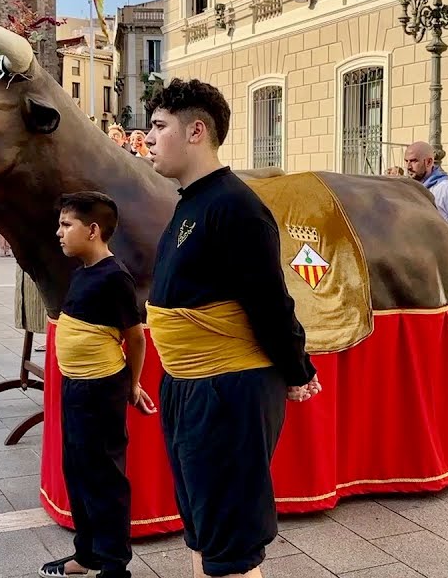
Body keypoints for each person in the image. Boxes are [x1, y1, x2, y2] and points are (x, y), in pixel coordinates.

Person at [143, 78, 321, 578]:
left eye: (159, 127)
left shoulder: (235, 206)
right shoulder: (192, 202)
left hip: (226, 390)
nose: (148, 137)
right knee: (204, 530)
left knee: (230, 548)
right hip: (188, 387)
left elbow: (269, 301)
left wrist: (296, 369)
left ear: (196, 131)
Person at [39, 192, 157, 578]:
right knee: (78, 471)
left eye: (66, 224)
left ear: (92, 230)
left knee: (104, 477)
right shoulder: (82, 272)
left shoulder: (114, 277)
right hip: (76, 388)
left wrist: (133, 385)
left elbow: (135, 338)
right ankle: (85, 554)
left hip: (100, 391)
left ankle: (113, 564)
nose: (59, 232)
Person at [404, 141, 448, 247]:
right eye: (406, 161)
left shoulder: (447, 189)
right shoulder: (409, 189)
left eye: (413, 161)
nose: (408, 167)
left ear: (429, 162)